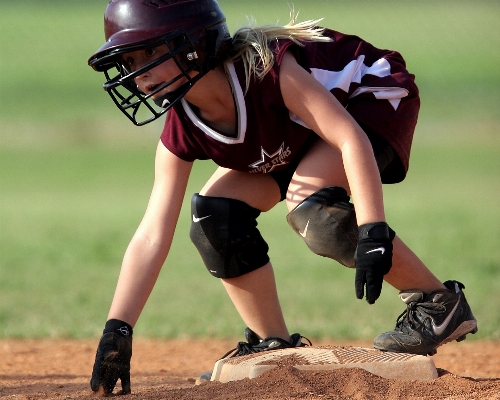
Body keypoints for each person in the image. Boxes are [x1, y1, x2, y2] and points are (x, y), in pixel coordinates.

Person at [87, 0, 478, 395]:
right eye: (130, 59)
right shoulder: (183, 127)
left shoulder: (265, 72)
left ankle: (439, 304)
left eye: (151, 52)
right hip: (299, 131)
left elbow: (348, 137)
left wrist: (373, 229)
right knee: (214, 214)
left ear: (194, 44)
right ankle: (271, 343)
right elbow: (152, 234)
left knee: (314, 213)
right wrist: (117, 329)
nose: (138, 74)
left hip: (367, 97)